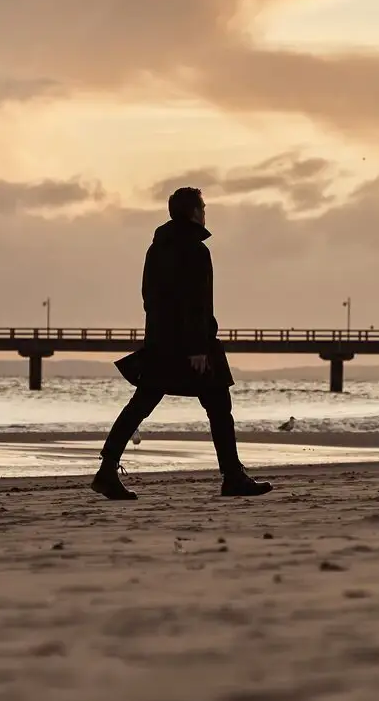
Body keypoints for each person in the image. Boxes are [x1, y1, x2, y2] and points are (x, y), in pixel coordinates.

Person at [93, 187, 272, 500]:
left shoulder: (157, 248)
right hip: (192, 346)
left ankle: (107, 470)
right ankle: (232, 477)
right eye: (203, 207)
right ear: (193, 212)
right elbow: (197, 303)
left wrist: (160, 336)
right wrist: (199, 347)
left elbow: (150, 297)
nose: (205, 212)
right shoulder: (195, 249)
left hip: (161, 342)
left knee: (142, 403)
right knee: (219, 406)